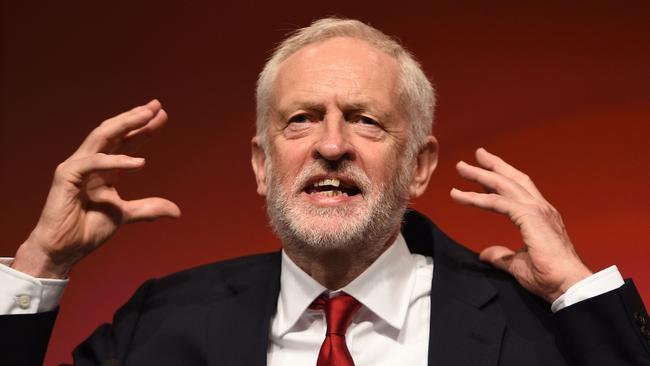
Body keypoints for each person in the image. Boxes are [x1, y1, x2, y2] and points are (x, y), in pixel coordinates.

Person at [1, 17, 649, 366]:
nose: (332, 144)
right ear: (261, 165)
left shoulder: (537, 329)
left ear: (420, 166)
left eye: (366, 119)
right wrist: (40, 265)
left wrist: (575, 287)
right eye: (301, 118)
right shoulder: (159, 324)